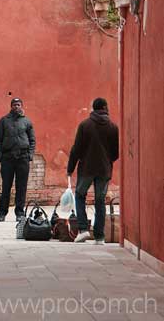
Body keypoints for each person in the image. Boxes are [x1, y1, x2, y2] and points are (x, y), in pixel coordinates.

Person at [67, 97, 119, 244]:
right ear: (105, 107)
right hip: (104, 169)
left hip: (87, 169)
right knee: (100, 201)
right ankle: (99, 236)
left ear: (94, 108)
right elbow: (116, 152)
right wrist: (107, 161)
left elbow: (76, 149)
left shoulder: (85, 125)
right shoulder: (113, 127)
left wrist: (70, 168)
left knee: (80, 195)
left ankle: (83, 230)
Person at [0, 98, 36, 222]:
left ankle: (19, 212)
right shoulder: (3, 121)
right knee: (6, 186)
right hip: (8, 158)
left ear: (22, 106)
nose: (16, 107)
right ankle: (2, 213)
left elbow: (32, 140)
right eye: (14, 105)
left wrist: (30, 155)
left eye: (18, 105)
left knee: (21, 187)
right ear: (11, 106)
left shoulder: (27, 122)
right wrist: (0, 155)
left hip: (23, 158)